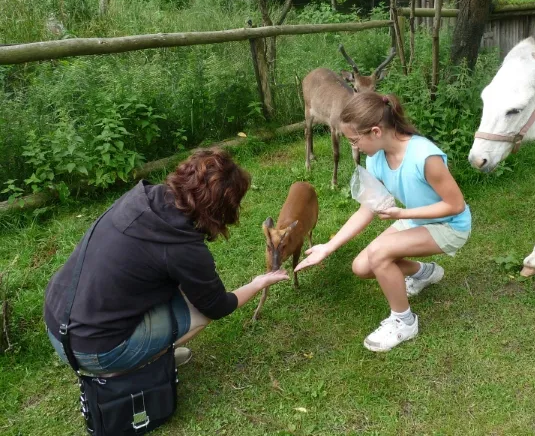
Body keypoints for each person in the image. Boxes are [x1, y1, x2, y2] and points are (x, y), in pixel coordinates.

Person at [44, 148, 289, 376]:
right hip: (91, 350)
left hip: (58, 319)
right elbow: (216, 306)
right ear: (222, 208)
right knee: (199, 314)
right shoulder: (184, 245)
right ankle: (134, 367)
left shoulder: (141, 196)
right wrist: (258, 282)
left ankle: (135, 351)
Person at [295, 92, 471, 352]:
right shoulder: (375, 158)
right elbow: (367, 210)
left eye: (354, 140)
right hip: (417, 222)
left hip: (450, 225)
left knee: (378, 253)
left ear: (375, 132)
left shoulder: (425, 157)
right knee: (362, 267)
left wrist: (403, 214)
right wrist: (328, 247)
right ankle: (425, 273)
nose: (353, 147)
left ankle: (404, 322)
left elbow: (455, 205)